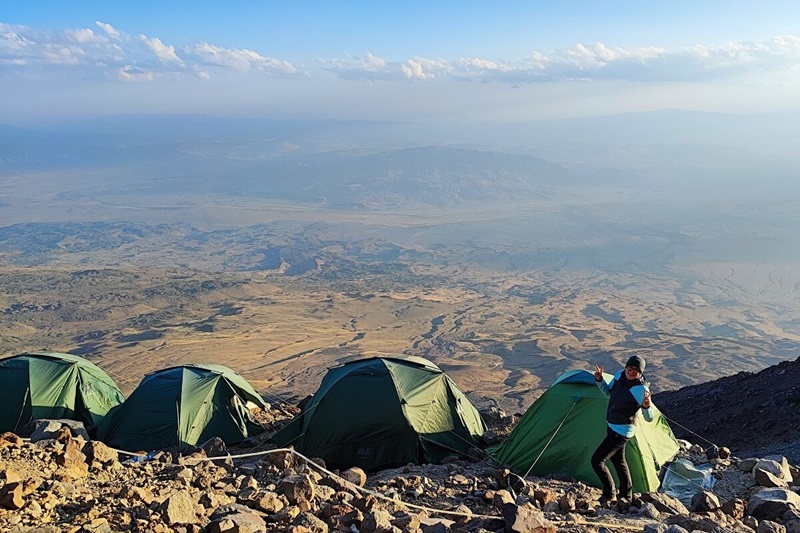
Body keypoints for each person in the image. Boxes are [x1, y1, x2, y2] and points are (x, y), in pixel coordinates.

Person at [591, 355, 653, 506]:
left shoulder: (640, 389)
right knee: (618, 460)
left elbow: (649, 417)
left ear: (640, 373)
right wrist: (599, 380)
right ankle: (626, 495)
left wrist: (646, 406)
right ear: (626, 367)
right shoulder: (619, 375)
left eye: (636, 370)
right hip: (612, 425)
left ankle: (609, 493)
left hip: (623, 430)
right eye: (630, 368)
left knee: (597, 461)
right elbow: (608, 392)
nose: (631, 372)